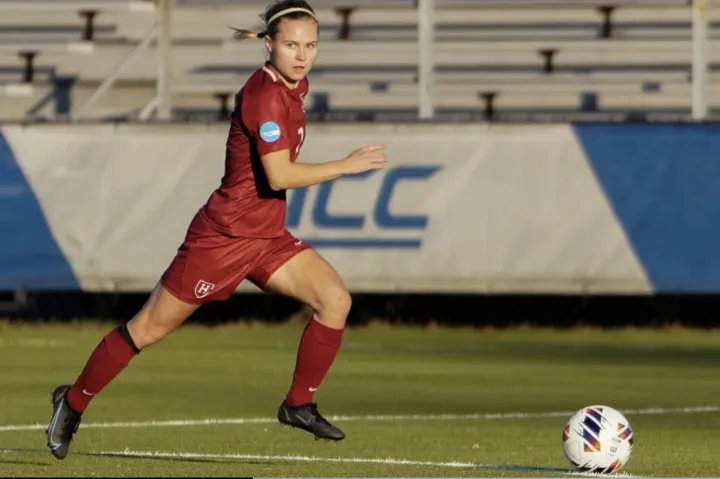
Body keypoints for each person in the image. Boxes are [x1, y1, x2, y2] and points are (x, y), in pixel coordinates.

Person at [45, 0, 388, 460]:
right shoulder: (264, 95)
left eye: (310, 45)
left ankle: (299, 404)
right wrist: (345, 166)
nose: (301, 54)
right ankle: (72, 402)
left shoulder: (294, 87)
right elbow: (279, 176)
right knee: (145, 330)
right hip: (223, 239)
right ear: (268, 45)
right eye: (291, 45)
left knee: (335, 300)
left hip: (266, 236)